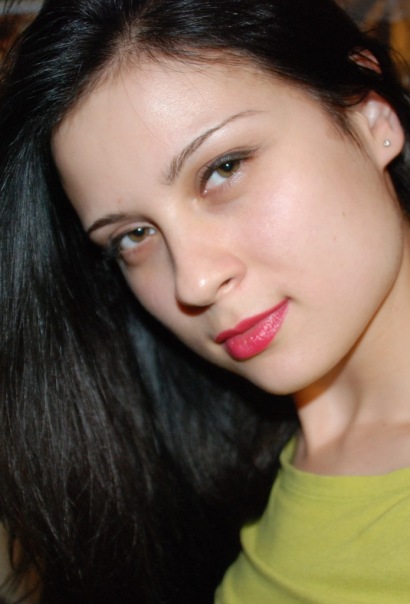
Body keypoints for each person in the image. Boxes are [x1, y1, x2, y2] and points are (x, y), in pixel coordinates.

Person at [0, 0, 410, 602]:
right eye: (133, 235)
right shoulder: (205, 486)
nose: (191, 282)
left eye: (223, 168)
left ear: (369, 113)